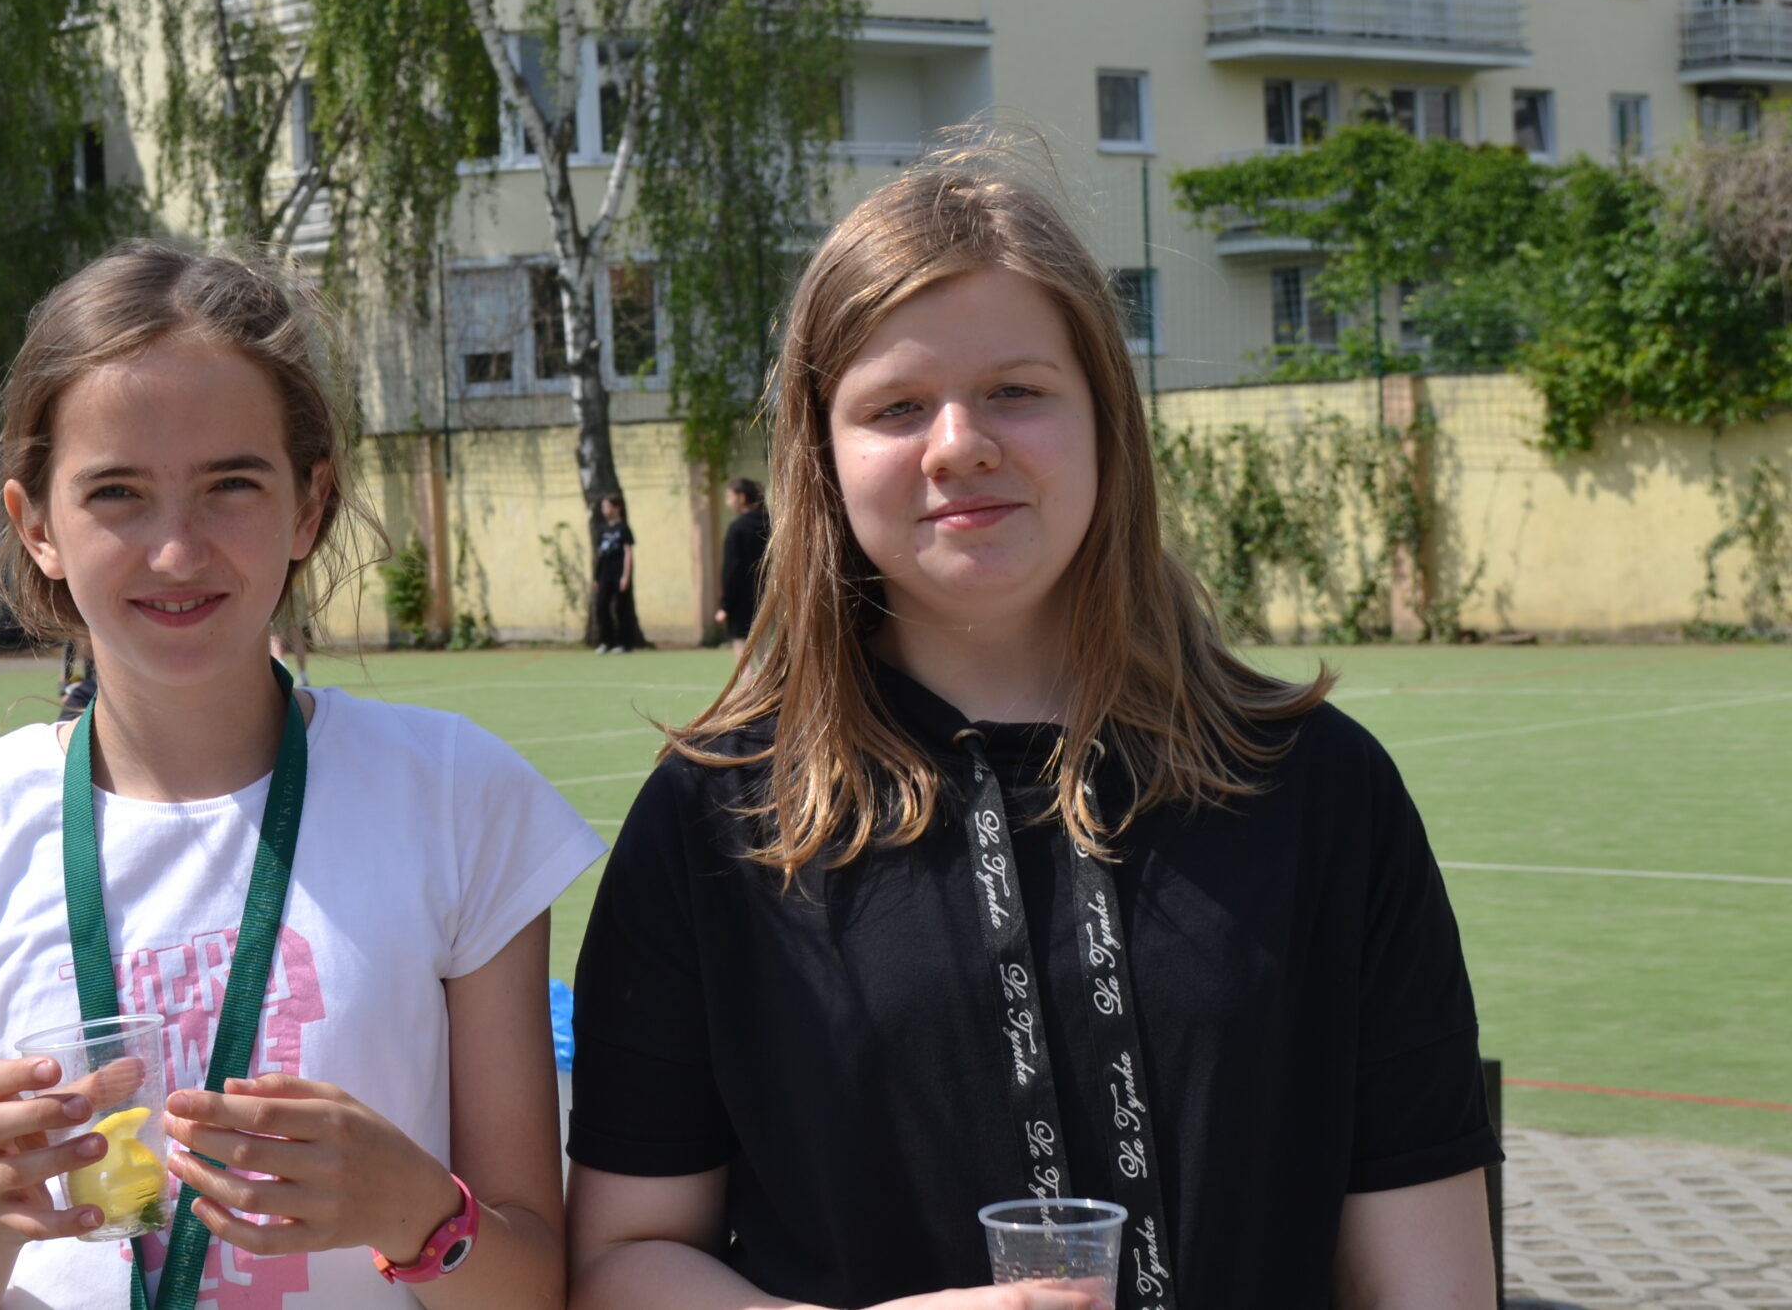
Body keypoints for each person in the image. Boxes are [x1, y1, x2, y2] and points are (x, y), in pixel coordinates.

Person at [565, 149, 1500, 1310]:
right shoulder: (719, 816)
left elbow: (1429, 1274)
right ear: (823, 456)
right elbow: (620, 1260)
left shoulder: (1319, 788)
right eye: (895, 407)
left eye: (1015, 390)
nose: (959, 442)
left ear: (1105, 420)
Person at [0, 243, 601, 1310]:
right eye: (117, 493)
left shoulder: (457, 798)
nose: (177, 551)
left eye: (230, 485)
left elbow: (534, 1288)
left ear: (308, 504)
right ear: (37, 526)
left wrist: (412, 1206)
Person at [712, 478, 769, 651]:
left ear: (742, 498)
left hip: (742, 599)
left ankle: (749, 672)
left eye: (730, 497)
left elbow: (732, 569)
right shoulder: (772, 523)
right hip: (770, 595)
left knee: (741, 646)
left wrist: (725, 605)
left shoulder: (737, 528)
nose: (727, 503)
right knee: (766, 649)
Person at [590, 494, 645, 654]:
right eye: (603, 506)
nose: (604, 510)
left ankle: (625, 643)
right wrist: (596, 576)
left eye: (607, 506)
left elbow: (628, 553)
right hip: (605, 573)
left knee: (622, 608)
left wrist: (626, 576)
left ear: (617, 508)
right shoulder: (602, 529)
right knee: (601, 606)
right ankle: (606, 641)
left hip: (619, 573)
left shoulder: (624, 529)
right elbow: (600, 554)